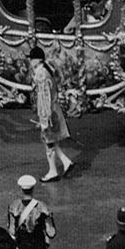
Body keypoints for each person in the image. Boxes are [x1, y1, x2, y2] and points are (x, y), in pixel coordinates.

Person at [29, 45, 75, 181]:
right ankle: (66, 162)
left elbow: (44, 97)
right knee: (51, 141)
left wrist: (44, 119)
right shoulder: (47, 69)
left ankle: (53, 171)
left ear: (35, 60)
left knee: (48, 141)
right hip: (54, 110)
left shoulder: (41, 73)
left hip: (48, 113)